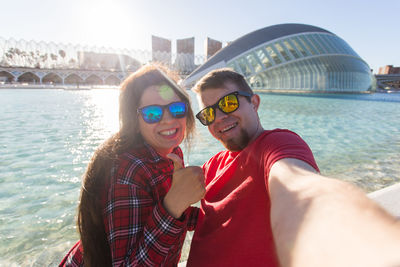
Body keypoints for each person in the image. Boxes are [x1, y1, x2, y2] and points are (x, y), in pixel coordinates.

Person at [186, 68, 400, 267]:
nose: (220, 117)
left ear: (254, 103)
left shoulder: (276, 144)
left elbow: (300, 189)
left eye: (229, 103)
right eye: (209, 113)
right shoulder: (212, 166)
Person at [60, 65, 205, 267]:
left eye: (177, 108)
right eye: (152, 113)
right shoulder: (127, 170)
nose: (169, 119)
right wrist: (173, 206)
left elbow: (152, 214)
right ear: (134, 120)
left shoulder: (170, 153)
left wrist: (209, 218)